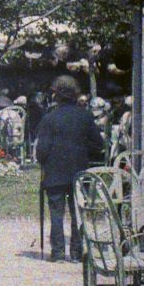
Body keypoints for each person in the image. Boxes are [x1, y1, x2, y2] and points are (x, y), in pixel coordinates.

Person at [34, 74, 104, 263]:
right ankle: (76, 251)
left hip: (55, 173)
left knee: (56, 214)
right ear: (75, 95)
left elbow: (41, 150)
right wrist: (82, 148)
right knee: (77, 214)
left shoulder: (50, 118)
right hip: (78, 172)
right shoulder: (85, 116)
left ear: (57, 95)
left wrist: (44, 161)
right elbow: (99, 144)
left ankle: (57, 253)